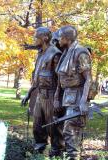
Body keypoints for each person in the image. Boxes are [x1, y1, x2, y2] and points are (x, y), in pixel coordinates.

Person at [21, 27, 65, 157]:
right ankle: (39, 152)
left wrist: (57, 99)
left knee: (53, 128)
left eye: (36, 37)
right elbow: (37, 78)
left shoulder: (55, 54)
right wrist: (29, 93)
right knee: (37, 126)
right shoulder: (40, 54)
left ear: (45, 38)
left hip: (51, 96)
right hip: (40, 94)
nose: (34, 39)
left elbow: (60, 81)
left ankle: (57, 153)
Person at [54, 26, 92, 160]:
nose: (58, 39)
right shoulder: (66, 52)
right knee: (65, 131)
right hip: (67, 96)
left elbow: (88, 79)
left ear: (67, 38)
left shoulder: (80, 52)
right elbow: (60, 78)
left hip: (78, 96)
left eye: (60, 36)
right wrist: (56, 98)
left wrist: (83, 102)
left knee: (70, 130)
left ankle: (73, 157)